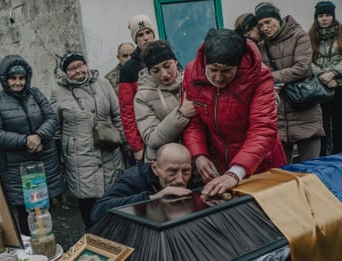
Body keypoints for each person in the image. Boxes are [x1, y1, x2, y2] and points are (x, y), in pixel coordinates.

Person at [182, 28, 286, 198]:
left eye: (227, 71)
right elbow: (193, 120)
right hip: (219, 164)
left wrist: (236, 172)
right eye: (213, 69)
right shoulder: (192, 73)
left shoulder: (259, 77)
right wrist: (199, 155)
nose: (218, 78)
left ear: (239, 65)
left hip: (259, 164)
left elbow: (263, 129)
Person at [0, 55, 65, 235]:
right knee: (25, 212)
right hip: (18, 168)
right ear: (6, 80)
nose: (18, 82)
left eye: (21, 78)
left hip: (44, 162)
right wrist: (26, 140)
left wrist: (39, 136)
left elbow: (51, 118)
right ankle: (30, 254)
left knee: (45, 209)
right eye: (13, 78)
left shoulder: (36, 94)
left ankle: (49, 247)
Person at [50, 51, 125, 229]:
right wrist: (61, 157)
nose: (77, 71)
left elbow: (118, 116)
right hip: (80, 158)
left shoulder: (103, 84)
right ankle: (94, 241)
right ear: (65, 72)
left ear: (86, 65)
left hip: (109, 153)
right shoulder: (58, 92)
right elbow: (55, 130)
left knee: (114, 203)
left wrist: (126, 145)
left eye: (80, 65)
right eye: (71, 68)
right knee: (88, 207)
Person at [255, 3, 324, 163]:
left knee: (311, 167)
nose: (265, 27)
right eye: (261, 25)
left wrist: (270, 77)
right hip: (278, 113)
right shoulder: (261, 46)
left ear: (278, 20)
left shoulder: (298, 35)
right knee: (282, 172)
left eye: (268, 22)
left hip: (303, 107)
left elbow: (301, 68)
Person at [91, 143, 192, 223]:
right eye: (172, 171)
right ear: (155, 168)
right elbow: (98, 212)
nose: (180, 179)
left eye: (186, 171)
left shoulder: (195, 176)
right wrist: (151, 198)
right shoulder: (135, 177)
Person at [134, 40, 196, 161]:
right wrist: (181, 115)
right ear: (149, 72)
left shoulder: (190, 82)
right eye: (156, 71)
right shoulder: (143, 97)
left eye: (167, 66)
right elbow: (151, 139)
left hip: (196, 157)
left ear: (175, 61)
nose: (164, 74)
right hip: (166, 164)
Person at [118, 14, 157, 164]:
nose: (146, 38)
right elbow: (127, 111)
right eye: (140, 35)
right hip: (146, 137)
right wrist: (136, 147)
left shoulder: (167, 56)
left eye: (148, 33)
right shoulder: (128, 68)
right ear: (135, 39)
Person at [308, 1, 342, 155]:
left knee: (339, 124)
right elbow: (306, 60)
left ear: (333, 17)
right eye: (320, 16)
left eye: (327, 15)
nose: (324, 19)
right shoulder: (310, 36)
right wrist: (323, 76)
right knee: (322, 126)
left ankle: (339, 156)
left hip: (339, 85)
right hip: (320, 88)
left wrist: (334, 73)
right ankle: (322, 158)